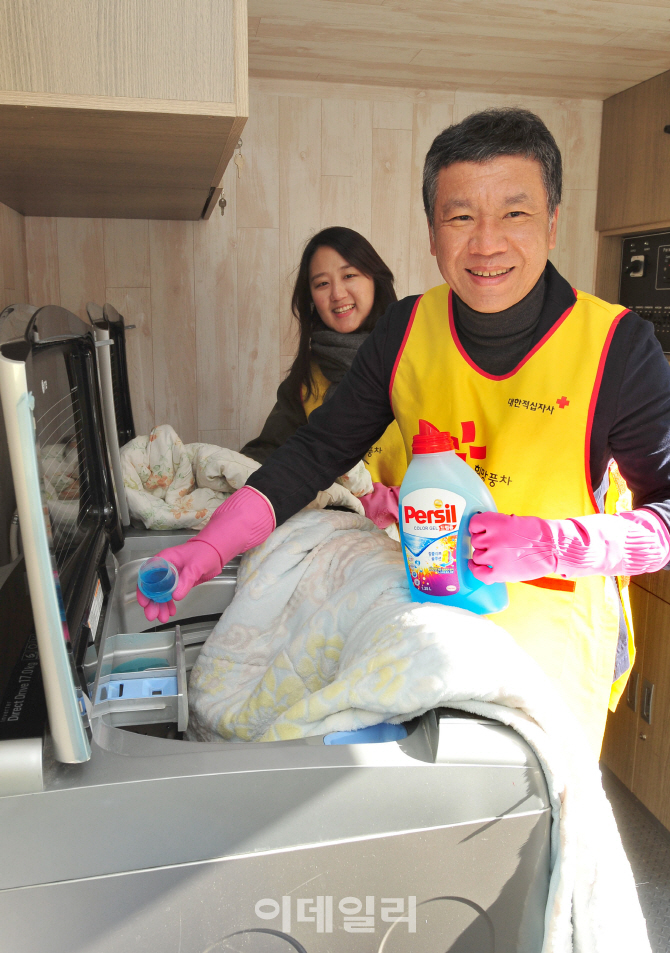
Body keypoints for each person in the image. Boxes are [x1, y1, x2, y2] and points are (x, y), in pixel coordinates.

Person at [138, 108, 670, 754]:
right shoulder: (407, 331)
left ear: (553, 222)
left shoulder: (617, 348)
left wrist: (550, 543)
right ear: (431, 233)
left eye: (514, 213)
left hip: (548, 636)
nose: (487, 243)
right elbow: (313, 452)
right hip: (433, 624)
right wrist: (209, 550)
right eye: (461, 216)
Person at [239, 226, 406, 493]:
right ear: (312, 299)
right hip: (338, 526)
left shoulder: (416, 356)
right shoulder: (306, 379)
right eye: (322, 284)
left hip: (421, 523)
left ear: (376, 279)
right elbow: (270, 452)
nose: (337, 294)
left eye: (349, 275)